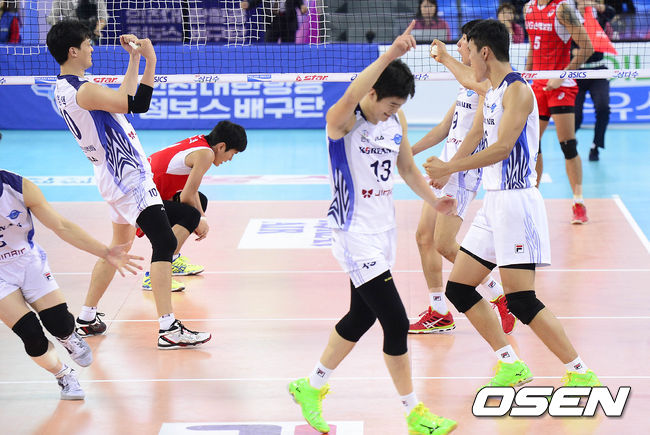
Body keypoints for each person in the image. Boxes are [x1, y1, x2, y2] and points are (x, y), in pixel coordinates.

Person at [287, 21, 458, 435]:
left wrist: (433, 200)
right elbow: (350, 96)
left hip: (383, 232)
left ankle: (311, 386)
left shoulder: (395, 123)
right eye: (390, 104)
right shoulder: (342, 121)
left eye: (399, 107)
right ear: (373, 92)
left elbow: (407, 168)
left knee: (360, 316)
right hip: (354, 233)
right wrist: (389, 55)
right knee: (395, 322)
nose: (392, 112)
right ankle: (414, 413)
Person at [425, 19, 601, 391]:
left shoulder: (518, 92)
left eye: (470, 51)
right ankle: (511, 363)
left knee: (521, 300)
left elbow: (503, 148)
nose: (468, 60)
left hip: (517, 204)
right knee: (460, 288)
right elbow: (475, 129)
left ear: (485, 52)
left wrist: (450, 167)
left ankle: (581, 371)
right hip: (493, 205)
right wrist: (447, 169)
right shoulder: (491, 90)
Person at [46, 20, 211, 349]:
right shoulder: (83, 91)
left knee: (119, 247)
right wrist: (150, 60)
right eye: (88, 44)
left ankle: (87, 317)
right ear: (73, 51)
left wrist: (135, 59)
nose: (92, 48)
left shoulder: (66, 88)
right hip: (127, 175)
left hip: (110, 174)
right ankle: (168, 328)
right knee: (164, 241)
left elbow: (125, 98)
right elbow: (136, 103)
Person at [409, 20, 516, 336]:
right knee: (423, 237)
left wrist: (450, 169)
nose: (457, 45)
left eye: (463, 41)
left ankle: (498, 294)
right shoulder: (465, 82)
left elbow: (475, 134)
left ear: (477, 47)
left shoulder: (488, 85)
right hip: (447, 165)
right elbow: (446, 128)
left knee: (444, 244)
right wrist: (406, 152)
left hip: (462, 171)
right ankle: (439, 310)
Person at [0, 169, 142, 400]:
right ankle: (64, 375)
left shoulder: (17, 187)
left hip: (27, 262)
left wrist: (105, 252)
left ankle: (68, 337)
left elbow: (61, 226)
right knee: (31, 335)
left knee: (59, 322)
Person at [140, 120, 248, 290]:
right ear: (221, 146)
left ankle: (172, 260)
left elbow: (191, 191)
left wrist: (202, 217)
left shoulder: (201, 143)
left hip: (146, 195)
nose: (230, 159)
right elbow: (186, 196)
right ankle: (156, 276)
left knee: (200, 203)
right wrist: (201, 220)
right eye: (232, 153)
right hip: (140, 200)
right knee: (191, 215)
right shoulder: (206, 154)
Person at [524, 0, 594, 224]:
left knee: (567, 145)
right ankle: (531, 202)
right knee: (532, 145)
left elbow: (587, 48)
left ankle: (578, 203)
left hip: (561, 85)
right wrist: (526, 76)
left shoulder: (562, 8)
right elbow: (533, 46)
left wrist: (561, 76)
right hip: (537, 84)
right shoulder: (528, 8)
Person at [573, 0, 615, 162]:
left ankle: (595, 146)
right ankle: (570, 139)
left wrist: (593, 5)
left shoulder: (599, 18)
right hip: (577, 72)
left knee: (603, 108)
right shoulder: (569, 17)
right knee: (576, 115)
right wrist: (574, 51)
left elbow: (611, 12)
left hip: (598, 70)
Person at [241, 0, 308, 43]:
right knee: (268, 49)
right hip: (270, 22)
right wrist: (248, 4)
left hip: (288, 22)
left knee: (289, 49)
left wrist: (302, 7)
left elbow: (299, 2)